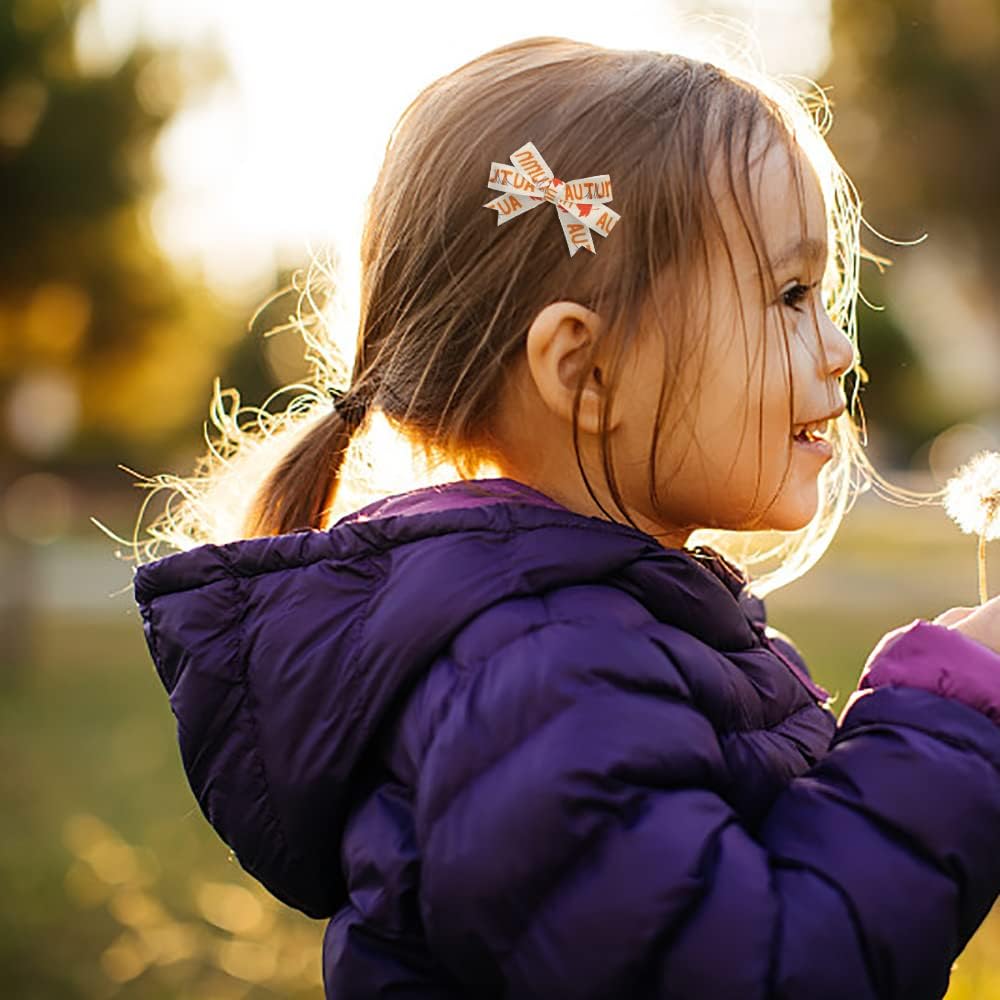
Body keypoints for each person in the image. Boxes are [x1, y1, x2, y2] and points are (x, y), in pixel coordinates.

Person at [131, 36, 1000, 999]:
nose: (840, 348)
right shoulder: (541, 675)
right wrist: (944, 727)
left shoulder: (601, 640)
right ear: (586, 371)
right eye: (791, 296)